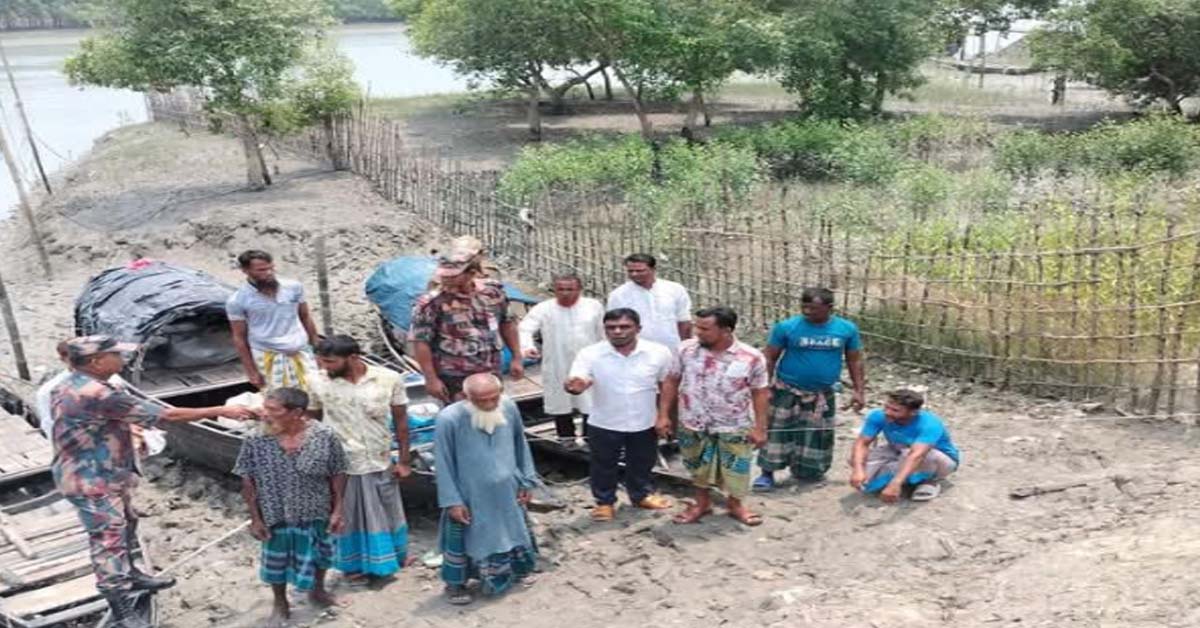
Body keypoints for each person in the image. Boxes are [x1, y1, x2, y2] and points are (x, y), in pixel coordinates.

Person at [51, 335, 256, 628]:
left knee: (127, 523)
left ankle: (131, 574)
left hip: (106, 471)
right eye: (116, 355)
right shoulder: (98, 394)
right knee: (108, 541)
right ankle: (121, 606)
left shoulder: (71, 384)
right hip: (92, 479)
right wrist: (221, 410)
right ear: (96, 362)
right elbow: (166, 415)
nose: (122, 360)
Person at [235, 387, 348, 627]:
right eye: (265, 408)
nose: (264, 414)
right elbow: (247, 479)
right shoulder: (256, 439)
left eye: (273, 410)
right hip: (275, 513)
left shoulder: (324, 435)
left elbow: (338, 471)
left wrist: (338, 509)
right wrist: (255, 518)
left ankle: (318, 591)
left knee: (322, 554)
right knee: (276, 560)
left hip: (317, 510)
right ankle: (280, 602)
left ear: (296, 412)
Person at [310, 335, 411, 584]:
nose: (325, 367)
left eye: (331, 362)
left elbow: (401, 422)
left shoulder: (388, 378)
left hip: (380, 458)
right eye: (322, 361)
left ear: (353, 357)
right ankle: (354, 565)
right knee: (350, 515)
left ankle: (395, 557)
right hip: (344, 464)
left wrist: (405, 460)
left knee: (388, 510)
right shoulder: (316, 382)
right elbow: (312, 422)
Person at [658, 307, 770, 526]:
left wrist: (760, 427)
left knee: (737, 467)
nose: (698, 332)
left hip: (734, 424)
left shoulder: (751, 357)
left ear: (726, 330)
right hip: (693, 421)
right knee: (696, 465)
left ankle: (735, 504)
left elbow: (760, 392)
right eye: (696, 326)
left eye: (705, 328)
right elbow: (671, 380)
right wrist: (663, 415)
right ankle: (702, 504)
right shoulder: (685, 350)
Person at [434, 373, 539, 605]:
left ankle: (514, 573)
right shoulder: (448, 419)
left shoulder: (508, 407)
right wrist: (452, 501)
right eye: (482, 400)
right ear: (466, 396)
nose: (490, 404)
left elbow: (520, 443)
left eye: (494, 398)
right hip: (470, 494)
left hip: (507, 490)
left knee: (512, 532)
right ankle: (456, 585)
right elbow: (443, 462)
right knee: (465, 540)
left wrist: (526, 481)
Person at [565, 308, 674, 522]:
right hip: (604, 421)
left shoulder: (658, 352)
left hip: (643, 421)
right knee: (603, 464)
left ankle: (641, 495)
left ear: (638, 328)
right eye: (611, 328)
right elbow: (579, 379)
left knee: (642, 462)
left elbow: (667, 384)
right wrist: (576, 386)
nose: (617, 331)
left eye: (624, 327)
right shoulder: (590, 354)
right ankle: (605, 503)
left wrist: (664, 416)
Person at [755, 287, 866, 491]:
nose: (807, 312)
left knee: (817, 434)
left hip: (822, 393)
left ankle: (808, 472)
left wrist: (859, 390)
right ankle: (767, 473)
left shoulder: (846, 329)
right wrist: (765, 386)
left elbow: (855, 359)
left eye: (813, 308)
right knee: (777, 431)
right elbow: (769, 356)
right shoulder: (787, 327)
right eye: (804, 307)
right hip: (787, 389)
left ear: (829, 308)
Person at [410, 238, 523, 403]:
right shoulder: (431, 303)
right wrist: (431, 379)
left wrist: (516, 357)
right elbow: (420, 342)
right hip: (453, 376)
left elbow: (507, 323)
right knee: (462, 418)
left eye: (453, 277)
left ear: (471, 273)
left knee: (492, 412)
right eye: (444, 276)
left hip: (490, 369)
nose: (446, 280)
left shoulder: (492, 293)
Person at [518, 273, 604, 442]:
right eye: (561, 289)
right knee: (560, 402)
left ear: (579, 289)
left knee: (590, 401)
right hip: (557, 362)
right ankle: (566, 439)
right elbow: (525, 328)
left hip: (590, 362)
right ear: (554, 290)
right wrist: (528, 346)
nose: (565, 293)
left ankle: (590, 439)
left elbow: (602, 332)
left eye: (570, 289)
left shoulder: (593, 306)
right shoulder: (544, 308)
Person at [227, 249, 320, 392]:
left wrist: (318, 349)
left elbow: (305, 316)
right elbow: (239, 337)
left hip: (301, 352)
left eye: (271, 268)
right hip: (268, 356)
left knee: (315, 395)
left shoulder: (294, 287)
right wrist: (251, 371)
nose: (269, 273)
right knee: (281, 404)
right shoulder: (237, 301)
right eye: (262, 270)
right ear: (245, 270)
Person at [849, 388, 960, 503]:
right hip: (898, 449)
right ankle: (904, 478)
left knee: (910, 455)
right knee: (857, 459)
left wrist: (895, 483)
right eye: (886, 407)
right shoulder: (878, 416)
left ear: (913, 412)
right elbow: (862, 443)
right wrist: (858, 469)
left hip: (938, 459)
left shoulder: (930, 424)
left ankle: (928, 480)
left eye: (895, 410)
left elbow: (916, 455)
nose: (887, 412)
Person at [606, 253, 693, 353]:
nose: (634, 274)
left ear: (653, 269)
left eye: (639, 271)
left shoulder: (674, 289)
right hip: (637, 352)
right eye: (630, 271)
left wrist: (685, 347)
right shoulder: (618, 295)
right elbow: (613, 325)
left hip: (672, 348)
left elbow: (684, 321)